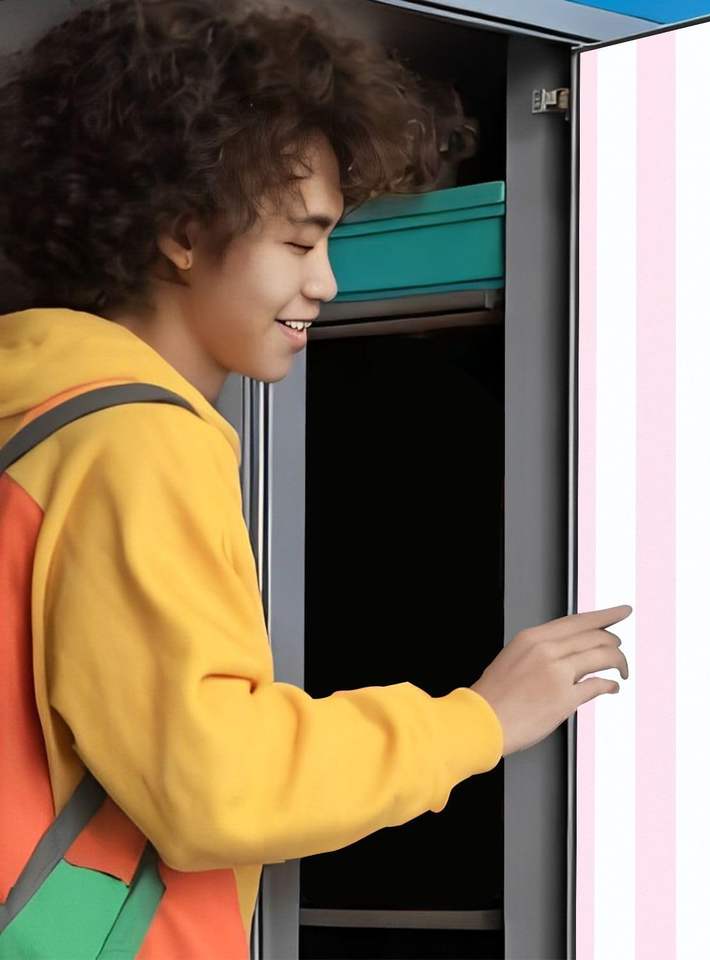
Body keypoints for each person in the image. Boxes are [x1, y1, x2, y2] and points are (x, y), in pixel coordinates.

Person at [0, 0, 631, 955]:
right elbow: (216, 784)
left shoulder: (37, 418)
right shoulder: (136, 439)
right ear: (181, 233)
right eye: (299, 242)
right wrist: (479, 720)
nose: (327, 282)